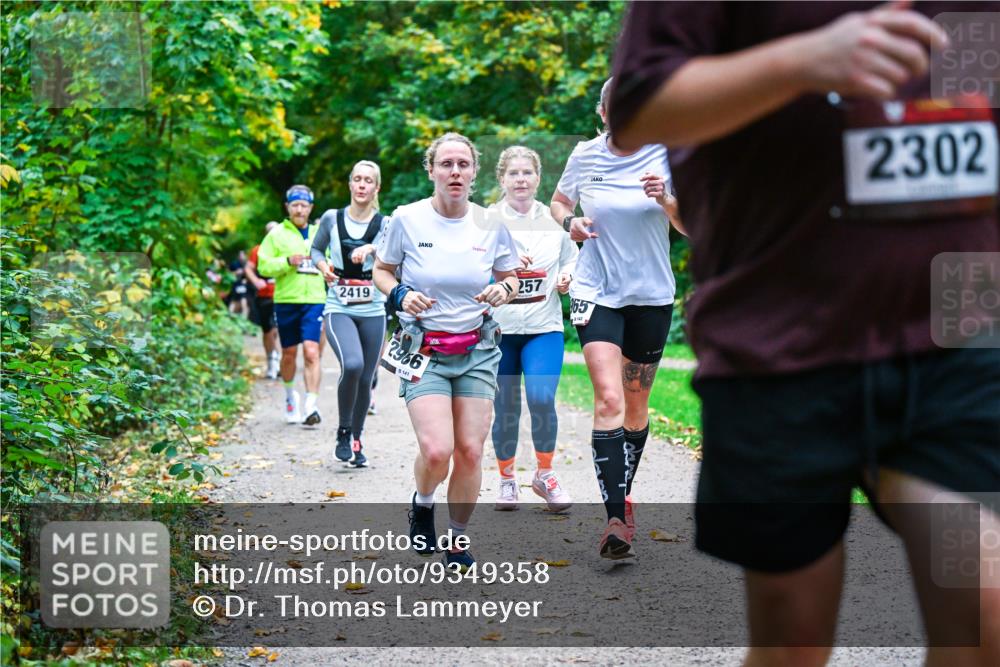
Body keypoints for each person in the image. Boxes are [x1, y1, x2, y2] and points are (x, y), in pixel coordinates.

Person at [609, 3, 998, 665]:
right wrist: (804, 61)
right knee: (794, 638)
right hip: (780, 336)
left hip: (956, 331)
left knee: (985, 609)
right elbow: (639, 110)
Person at [550, 78, 686, 560]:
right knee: (608, 397)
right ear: (603, 113)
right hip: (596, 289)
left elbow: (693, 225)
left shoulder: (668, 155)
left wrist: (667, 201)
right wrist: (572, 225)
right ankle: (614, 517)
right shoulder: (585, 156)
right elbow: (560, 203)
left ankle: (622, 492)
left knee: (634, 402)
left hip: (651, 294)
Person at [373, 132, 520, 570]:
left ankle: (457, 539)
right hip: (424, 350)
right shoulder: (406, 219)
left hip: (477, 349)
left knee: (471, 451)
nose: (455, 172)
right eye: (446, 164)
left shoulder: (491, 223)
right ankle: (422, 502)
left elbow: (511, 276)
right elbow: (382, 270)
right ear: (432, 170)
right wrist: (399, 294)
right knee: (438, 451)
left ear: (474, 172)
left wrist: (502, 289)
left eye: (463, 164)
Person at [488, 145, 578, 511]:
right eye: (514, 173)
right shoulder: (487, 219)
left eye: (527, 173)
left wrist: (567, 276)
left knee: (541, 399)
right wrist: (503, 266)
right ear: (502, 179)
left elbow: (574, 257)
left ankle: (544, 473)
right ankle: (507, 479)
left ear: (539, 178)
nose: (521, 179)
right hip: (500, 330)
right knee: (505, 405)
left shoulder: (555, 219)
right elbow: (471, 265)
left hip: (544, 327)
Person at [312, 161, 389, 468]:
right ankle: (343, 431)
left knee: (367, 378)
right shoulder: (333, 218)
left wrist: (371, 249)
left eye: (368, 180)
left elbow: (395, 256)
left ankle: (356, 438)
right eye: (356, 179)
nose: (361, 185)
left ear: (376, 188)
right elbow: (316, 251)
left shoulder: (386, 223)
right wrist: (323, 267)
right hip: (339, 306)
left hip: (373, 308)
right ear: (350, 184)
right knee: (353, 364)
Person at [256, 185, 327, 426]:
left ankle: (311, 405)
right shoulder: (276, 235)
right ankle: (290, 397)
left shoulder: (320, 233)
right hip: (287, 300)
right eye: (294, 205)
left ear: (310, 208)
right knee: (289, 354)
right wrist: (287, 261)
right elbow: (263, 266)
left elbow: (333, 261)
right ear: (287, 207)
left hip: (315, 300)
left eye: (303, 205)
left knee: (311, 351)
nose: (299, 209)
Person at [246, 221, 280, 379]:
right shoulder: (258, 250)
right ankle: (272, 359)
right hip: (264, 296)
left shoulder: (284, 249)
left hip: (282, 295)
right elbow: (248, 268)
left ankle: (277, 359)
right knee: (268, 330)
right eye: (270, 231)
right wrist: (256, 281)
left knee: (277, 329)